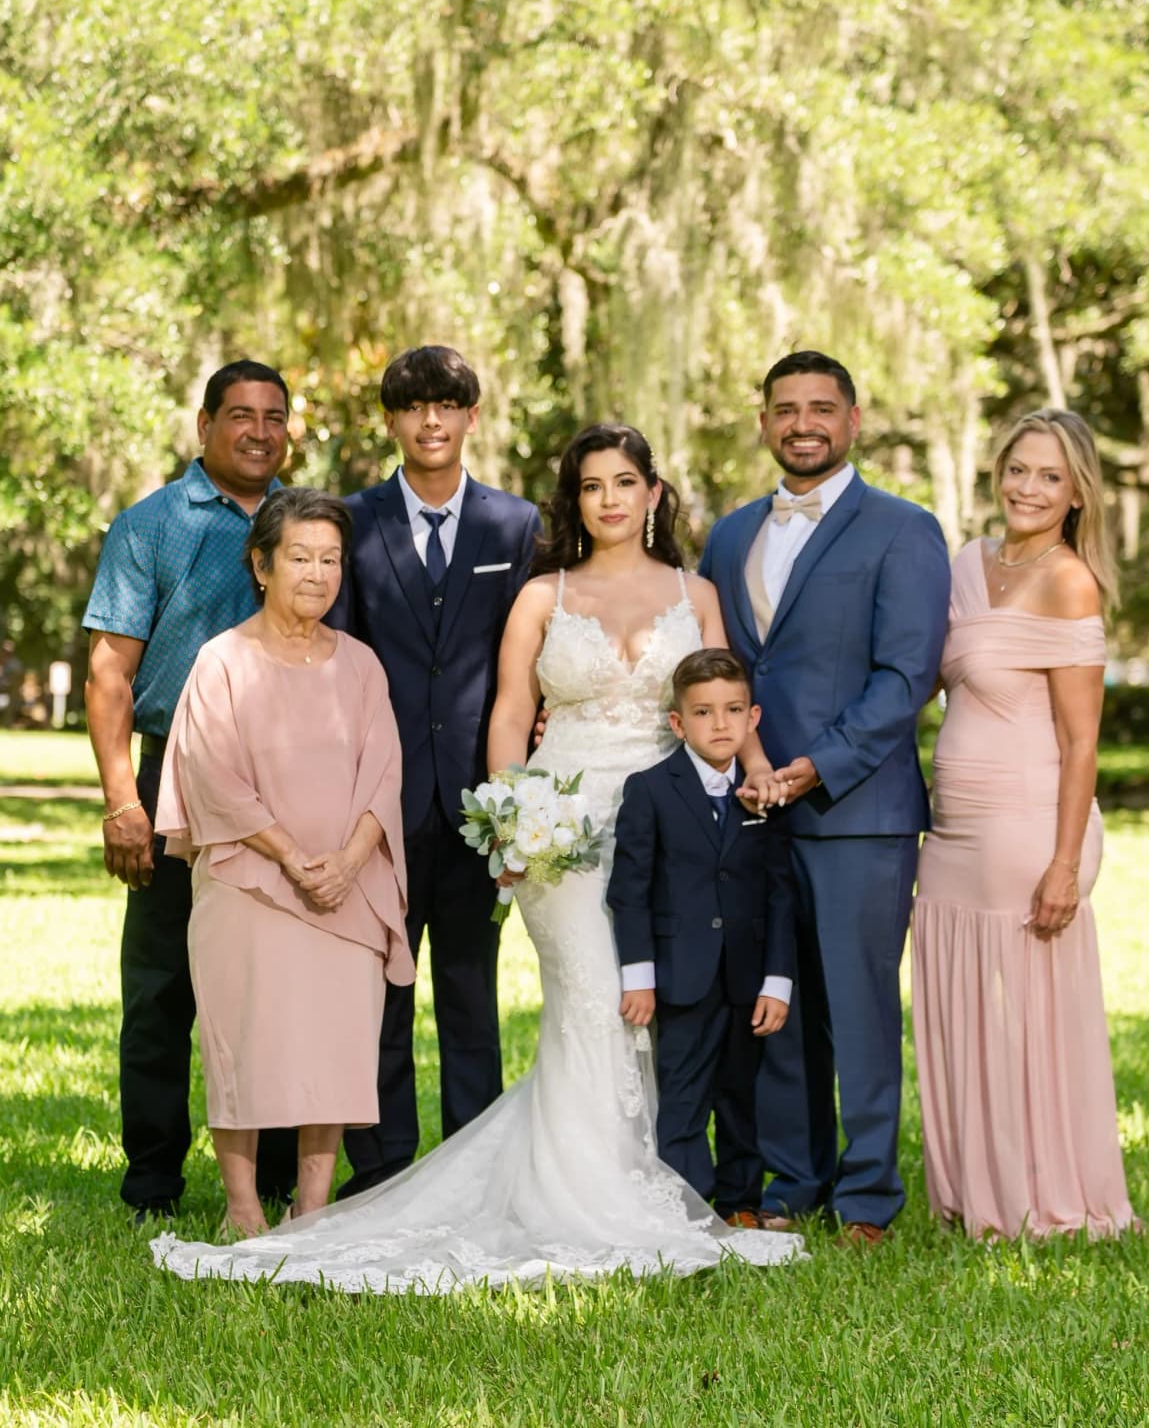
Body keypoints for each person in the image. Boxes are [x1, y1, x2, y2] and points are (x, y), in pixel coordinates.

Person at [151, 423, 801, 1290]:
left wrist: (758, 772)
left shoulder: (699, 593)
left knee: (658, 1001)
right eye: (591, 486)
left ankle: (657, 1174)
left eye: (623, 482)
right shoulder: (540, 594)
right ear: (573, 502)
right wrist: (511, 817)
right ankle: (587, 1188)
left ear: (653, 493)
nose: (608, 499)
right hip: (563, 830)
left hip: (675, 827)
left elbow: (723, 689)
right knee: (595, 997)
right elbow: (509, 714)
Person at [698, 350, 952, 1245]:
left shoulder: (904, 530)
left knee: (859, 1007)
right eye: (785, 409)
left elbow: (905, 675)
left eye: (820, 408)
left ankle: (869, 1194)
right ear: (764, 421)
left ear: (853, 419)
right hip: (754, 808)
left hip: (858, 813)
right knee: (776, 1005)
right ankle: (794, 1181)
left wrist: (814, 766)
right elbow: (721, 666)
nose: (802, 423)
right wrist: (748, 767)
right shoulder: (730, 536)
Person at [153, 488, 412, 1239]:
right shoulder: (221, 662)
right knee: (242, 1041)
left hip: (345, 888)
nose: (317, 574)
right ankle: (242, 1208)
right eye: (300, 557)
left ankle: (313, 1206)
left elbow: (384, 772)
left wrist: (349, 861)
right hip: (249, 882)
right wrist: (294, 858)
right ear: (261, 565)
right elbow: (212, 775)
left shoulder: (360, 665)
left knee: (332, 1046)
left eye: (331, 560)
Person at [81, 359, 302, 1223]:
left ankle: (279, 1179)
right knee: (162, 986)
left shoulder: (307, 522)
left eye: (274, 417)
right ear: (204, 425)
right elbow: (109, 673)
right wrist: (121, 802)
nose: (259, 431)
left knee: (278, 983)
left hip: (290, 776)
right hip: (174, 769)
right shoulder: (150, 525)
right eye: (240, 415)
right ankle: (152, 1183)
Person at [910, 408, 1138, 1240]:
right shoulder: (966, 564)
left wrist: (1065, 863)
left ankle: (1048, 1198)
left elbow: (1082, 744)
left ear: (1078, 494)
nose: (1029, 488)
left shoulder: (1069, 581)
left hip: (1030, 826)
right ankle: (977, 1193)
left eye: (1050, 476)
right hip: (952, 832)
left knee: (1032, 1022)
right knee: (962, 1013)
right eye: (1018, 469)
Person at [326, 346, 542, 1198]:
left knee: (470, 993)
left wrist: (516, 795)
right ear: (391, 421)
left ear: (471, 417)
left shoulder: (514, 526)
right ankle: (381, 1171)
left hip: (477, 805)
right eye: (413, 406)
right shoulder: (353, 520)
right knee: (376, 993)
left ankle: (470, 1176)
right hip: (379, 804)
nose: (430, 421)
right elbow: (341, 664)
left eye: (446, 405)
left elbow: (528, 667)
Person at [607, 647, 796, 1225]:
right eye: (704, 712)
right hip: (680, 974)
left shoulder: (764, 796)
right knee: (684, 1092)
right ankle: (687, 1206)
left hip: (747, 975)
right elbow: (629, 891)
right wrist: (639, 977)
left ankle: (740, 1201)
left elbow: (781, 893)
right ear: (677, 722)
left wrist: (778, 980)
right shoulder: (650, 790)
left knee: (741, 1093)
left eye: (733, 710)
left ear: (752, 718)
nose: (720, 724)